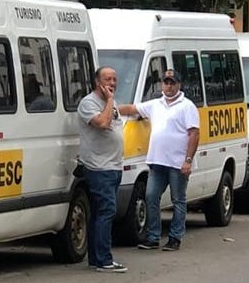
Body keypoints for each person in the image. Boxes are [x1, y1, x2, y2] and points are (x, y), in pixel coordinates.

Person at [120, 69, 200, 251]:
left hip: (177, 162)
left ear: (179, 84)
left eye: (172, 82)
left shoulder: (187, 106)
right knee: (151, 196)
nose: (169, 86)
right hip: (157, 161)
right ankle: (153, 236)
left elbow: (194, 133)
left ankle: (175, 237)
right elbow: (133, 109)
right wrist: (110, 108)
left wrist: (188, 160)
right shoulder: (156, 104)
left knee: (178, 200)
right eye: (166, 82)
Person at [76, 66, 127, 272]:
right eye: (108, 79)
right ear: (97, 82)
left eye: (115, 79)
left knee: (100, 213)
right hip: (99, 167)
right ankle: (104, 260)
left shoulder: (109, 103)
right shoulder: (89, 103)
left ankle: (96, 258)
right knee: (106, 211)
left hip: (113, 166)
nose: (112, 83)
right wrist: (110, 101)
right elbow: (104, 122)